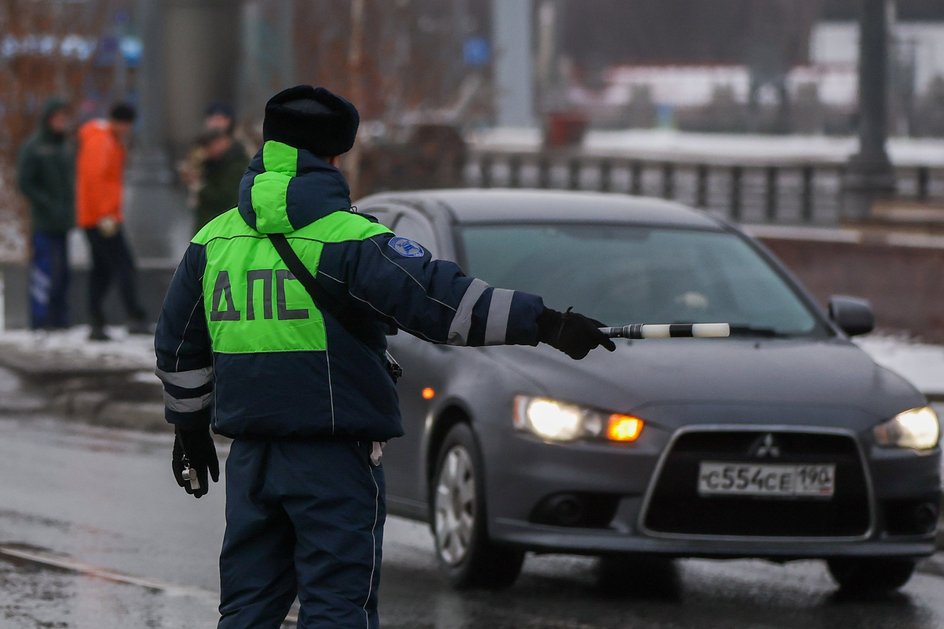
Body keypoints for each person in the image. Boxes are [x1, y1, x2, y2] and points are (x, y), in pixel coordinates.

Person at [154, 85, 615, 629]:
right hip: (332, 460)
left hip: (252, 460)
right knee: (336, 608)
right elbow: (444, 304)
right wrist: (546, 323)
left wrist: (189, 429)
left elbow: (177, 346)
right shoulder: (349, 239)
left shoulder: (215, 240)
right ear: (334, 156)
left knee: (248, 610)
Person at [76, 103, 148, 341]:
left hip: (96, 216)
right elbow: (96, 182)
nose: (128, 130)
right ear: (120, 122)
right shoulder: (102, 142)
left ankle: (97, 321)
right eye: (127, 124)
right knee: (123, 265)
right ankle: (134, 316)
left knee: (102, 270)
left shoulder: (105, 139)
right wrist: (106, 216)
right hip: (102, 218)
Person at [16, 98, 74, 330]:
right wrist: (47, 203)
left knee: (63, 273)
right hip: (44, 221)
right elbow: (25, 182)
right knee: (45, 272)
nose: (62, 123)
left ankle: (59, 317)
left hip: (62, 222)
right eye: (58, 118)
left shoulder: (64, 146)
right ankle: (41, 319)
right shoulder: (34, 147)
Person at [193, 128, 250, 232]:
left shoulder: (236, 165)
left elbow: (227, 197)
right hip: (213, 226)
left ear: (221, 142)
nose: (207, 152)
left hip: (223, 228)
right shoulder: (215, 163)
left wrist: (200, 189)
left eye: (208, 146)